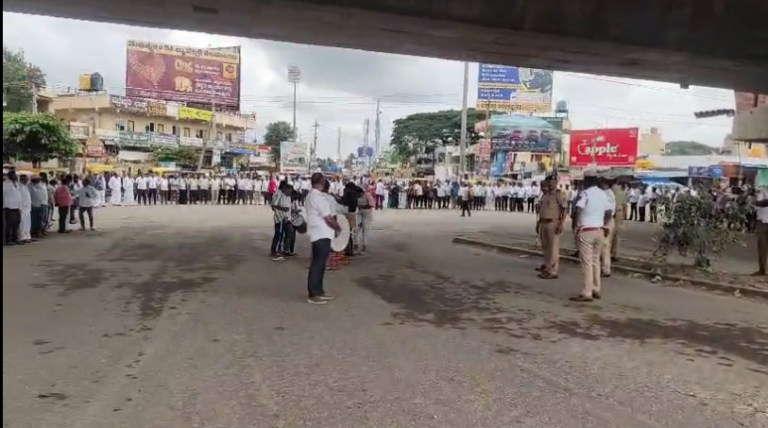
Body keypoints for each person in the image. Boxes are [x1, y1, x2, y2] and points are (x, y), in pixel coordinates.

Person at [570, 175, 613, 302]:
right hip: (599, 230)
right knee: (595, 261)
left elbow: (578, 209)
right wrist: (604, 224)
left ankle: (587, 292)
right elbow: (610, 212)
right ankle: (596, 288)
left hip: (586, 230)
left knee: (587, 263)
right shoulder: (603, 194)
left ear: (587, 182)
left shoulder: (585, 193)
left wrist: (575, 226)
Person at [305, 173, 341, 305]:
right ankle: (314, 293)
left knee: (320, 264)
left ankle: (319, 291)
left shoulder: (311, 195)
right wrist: (338, 227)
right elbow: (328, 218)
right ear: (322, 181)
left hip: (319, 233)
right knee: (318, 264)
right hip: (321, 234)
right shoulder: (317, 197)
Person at [535, 177, 568, 279]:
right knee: (546, 248)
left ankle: (553, 271)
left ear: (556, 183)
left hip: (553, 223)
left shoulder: (559, 194)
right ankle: (547, 268)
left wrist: (561, 223)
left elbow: (564, 210)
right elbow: (540, 210)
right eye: (549, 182)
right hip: (543, 223)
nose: (551, 184)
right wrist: (538, 224)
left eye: (553, 182)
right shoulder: (545, 195)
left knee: (553, 248)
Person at [599, 178, 617, 277]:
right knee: (604, 246)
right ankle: (604, 267)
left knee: (604, 246)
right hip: (607, 220)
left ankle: (605, 269)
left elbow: (609, 211)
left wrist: (605, 225)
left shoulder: (606, 194)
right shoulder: (608, 193)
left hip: (606, 221)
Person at [270, 182, 292, 261]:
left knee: (281, 235)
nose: (290, 193)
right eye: (289, 191)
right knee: (279, 235)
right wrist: (283, 209)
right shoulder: (279, 194)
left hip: (283, 218)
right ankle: (275, 252)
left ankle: (278, 250)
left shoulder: (286, 196)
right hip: (279, 218)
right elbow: (274, 205)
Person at [4, 171, 23, 246]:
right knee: (9, 225)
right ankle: (7, 240)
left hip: (17, 208)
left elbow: (19, 196)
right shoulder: (5, 184)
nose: (15, 177)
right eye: (13, 175)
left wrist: (20, 207)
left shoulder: (16, 184)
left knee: (16, 224)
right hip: (8, 207)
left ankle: (15, 239)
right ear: (9, 176)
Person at [753, 187, 768, 276]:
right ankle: (762, 270)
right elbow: (757, 205)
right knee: (762, 246)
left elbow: (762, 203)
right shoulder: (761, 190)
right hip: (762, 221)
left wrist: (757, 203)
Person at [18, 174, 33, 244]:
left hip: (28, 208)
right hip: (22, 208)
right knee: (22, 224)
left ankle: (28, 236)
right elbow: (19, 198)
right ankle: (22, 237)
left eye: (27, 178)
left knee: (27, 223)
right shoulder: (19, 187)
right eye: (25, 179)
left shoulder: (25, 186)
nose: (27, 180)